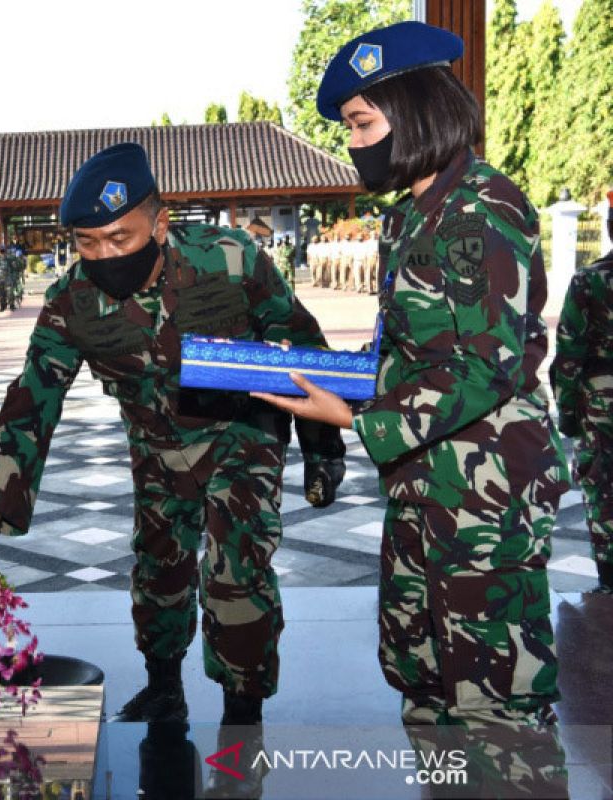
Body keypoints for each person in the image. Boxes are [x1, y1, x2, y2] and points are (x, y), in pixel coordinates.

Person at [254, 21, 569, 795]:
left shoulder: (483, 207)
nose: (357, 143)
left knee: (497, 704)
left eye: (363, 123)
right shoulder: (413, 215)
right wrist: (318, 376)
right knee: (421, 672)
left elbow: (485, 362)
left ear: (419, 109)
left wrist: (358, 418)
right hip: (425, 489)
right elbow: (415, 352)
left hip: (485, 498)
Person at [0, 142, 346, 726]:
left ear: (159, 223)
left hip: (242, 436)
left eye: (120, 239)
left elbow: (299, 338)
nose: (104, 255)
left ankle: (242, 713)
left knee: (236, 573)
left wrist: (322, 444)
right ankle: (163, 687)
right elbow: (31, 404)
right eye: (86, 242)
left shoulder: (230, 259)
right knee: (159, 568)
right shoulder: (71, 304)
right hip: (156, 446)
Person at [550, 197, 613, 594]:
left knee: (603, 486)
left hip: (601, 401)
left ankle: (609, 579)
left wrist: (568, 414)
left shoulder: (589, 280)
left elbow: (569, 355)